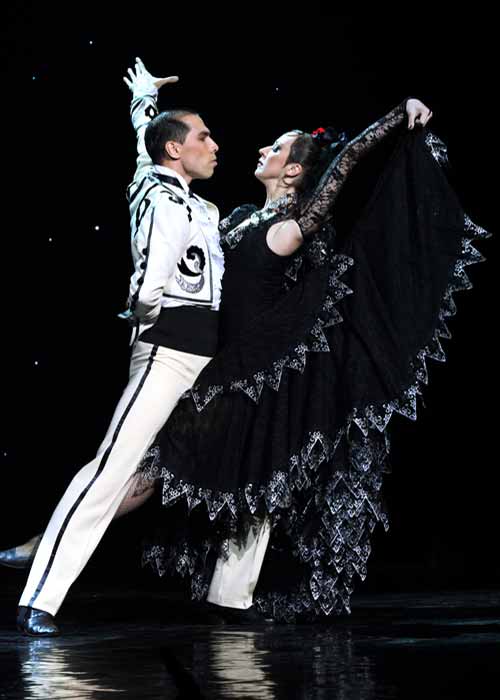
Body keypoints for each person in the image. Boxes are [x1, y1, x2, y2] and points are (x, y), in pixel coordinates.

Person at [113, 65, 488, 623]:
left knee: (230, 483)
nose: (261, 149)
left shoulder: (289, 229)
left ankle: (224, 601)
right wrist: (143, 109)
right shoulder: (238, 218)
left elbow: (343, 165)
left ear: (291, 172)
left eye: (276, 148)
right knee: (175, 474)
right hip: (214, 367)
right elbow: (159, 176)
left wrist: (395, 116)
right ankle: (71, 541)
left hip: (253, 376)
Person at [13, 62, 224, 636]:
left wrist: (143, 101)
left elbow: (145, 143)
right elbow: (149, 286)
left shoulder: (183, 194)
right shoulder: (159, 196)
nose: (214, 145)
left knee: (178, 471)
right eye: (204, 136)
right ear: (176, 150)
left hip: (205, 354)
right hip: (168, 349)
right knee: (113, 467)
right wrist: (143, 310)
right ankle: (41, 596)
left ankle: (234, 593)